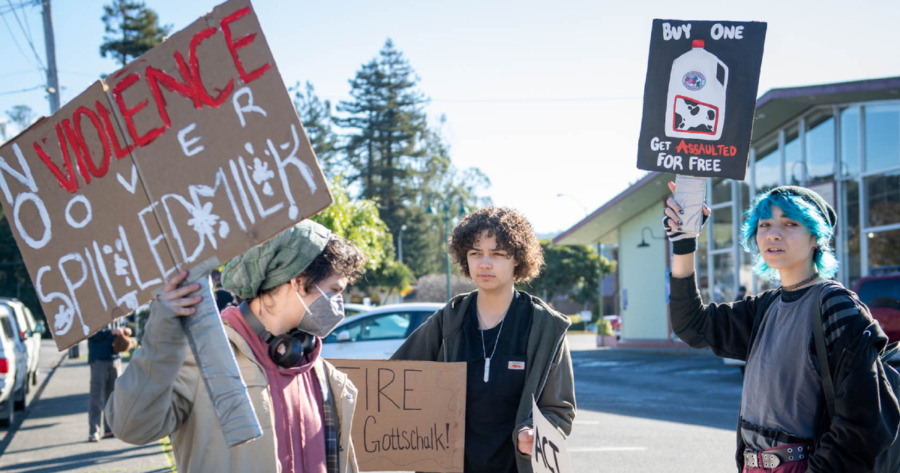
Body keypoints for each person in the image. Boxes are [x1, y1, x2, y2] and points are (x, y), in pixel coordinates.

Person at [665, 183, 900, 472]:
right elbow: (691, 325)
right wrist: (684, 242)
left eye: (790, 223)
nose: (773, 233)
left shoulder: (836, 307)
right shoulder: (764, 307)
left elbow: (865, 421)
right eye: (764, 224)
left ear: (816, 237)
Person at [106, 220, 366, 472]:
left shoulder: (321, 374)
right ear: (298, 280)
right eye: (334, 290)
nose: (339, 303)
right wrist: (163, 332)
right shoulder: (202, 356)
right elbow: (131, 426)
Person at [392, 206, 576, 473]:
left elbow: (559, 410)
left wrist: (537, 434)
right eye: (475, 253)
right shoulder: (448, 320)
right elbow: (393, 380)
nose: (485, 263)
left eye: (498, 254)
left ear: (518, 260)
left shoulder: (545, 327)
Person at [86, 321, 130, 442]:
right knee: (96, 396)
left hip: (115, 358)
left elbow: (121, 327)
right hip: (99, 358)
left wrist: (125, 332)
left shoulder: (115, 312)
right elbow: (90, 333)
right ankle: (94, 431)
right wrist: (109, 332)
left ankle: (110, 428)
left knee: (113, 397)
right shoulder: (93, 313)